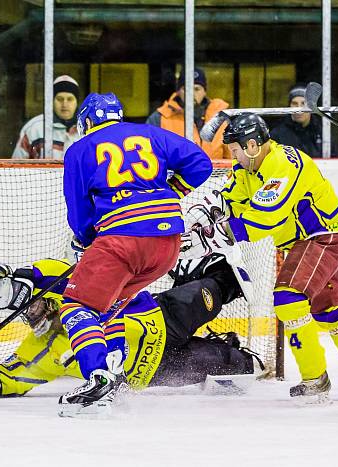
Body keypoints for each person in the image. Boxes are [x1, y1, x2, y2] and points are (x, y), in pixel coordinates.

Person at [182, 113, 338, 404]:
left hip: (323, 237)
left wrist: (216, 235)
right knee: (328, 311)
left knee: (288, 298)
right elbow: (231, 201)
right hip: (308, 242)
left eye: (234, 150)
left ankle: (315, 379)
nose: (233, 156)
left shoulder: (283, 164)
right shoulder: (247, 169)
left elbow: (262, 220)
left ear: (252, 145)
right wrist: (213, 217)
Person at [58, 92, 212, 417]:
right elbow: (201, 163)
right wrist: (173, 192)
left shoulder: (79, 149)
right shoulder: (151, 134)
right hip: (167, 242)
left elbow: (79, 214)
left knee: (76, 306)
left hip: (121, 239)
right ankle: (116, 375)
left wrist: (89, 240)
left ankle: (98, 377)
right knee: (109, 304)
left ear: (86, 121)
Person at [0, 254, 261, 399]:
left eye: (32, 303)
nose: (33, 314)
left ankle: (213, 274)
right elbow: (16, 373)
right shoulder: (43, 346)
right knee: (243, 367)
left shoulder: (68, 288)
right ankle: (230, 348)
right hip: (155, 369)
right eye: (25, 311)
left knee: (218, 285)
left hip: (160, 316)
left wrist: (19, 278)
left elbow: (50, 272)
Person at [146, 67, 230, 160]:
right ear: (178, 91)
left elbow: (232, 156)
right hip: (174, 174)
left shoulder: (221, 118)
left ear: (205, 92)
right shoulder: (159, 118)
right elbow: (149, 157)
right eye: (186, 89)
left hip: (217, 174)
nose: (191, 94)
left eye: (197, 89)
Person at [13, 75, 80, 159]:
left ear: (77, 102)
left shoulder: (88, 129)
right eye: (59, 99)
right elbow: (15, 167)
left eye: (70, 99)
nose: (64, 104)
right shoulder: (34, 128)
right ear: (52, 100)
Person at [269, 84, 322, 158]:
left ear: (311, 106)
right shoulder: (277, 134)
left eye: (303, 103)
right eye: (295, 104)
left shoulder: (322, 132)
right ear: (289, 106)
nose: (299, 109)